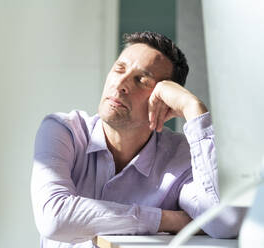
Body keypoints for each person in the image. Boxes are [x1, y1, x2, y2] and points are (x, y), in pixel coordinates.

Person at [31, 31, 246, 248]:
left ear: (163, 101)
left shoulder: (180, 157)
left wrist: (194, 109)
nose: (121, 83)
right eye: (119, 69)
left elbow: (223, 223)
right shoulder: (63, 130)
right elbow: (54, 218)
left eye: (142, 80)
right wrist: (169, 219)